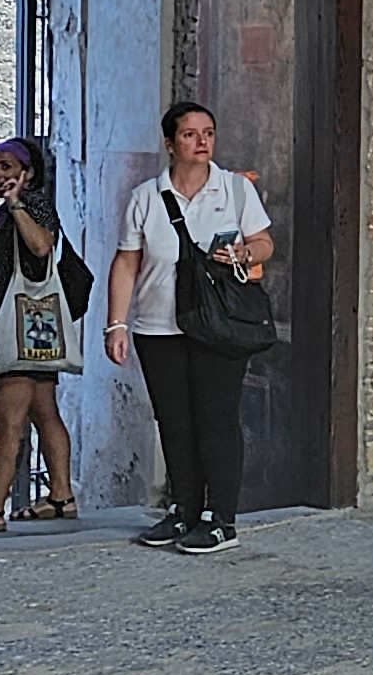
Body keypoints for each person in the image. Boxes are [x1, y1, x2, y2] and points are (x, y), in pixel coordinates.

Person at [105, 101, 272, 555]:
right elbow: (126, 262)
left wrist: (245, 254)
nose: (202, 142)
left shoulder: (235, 190)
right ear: (169, 143)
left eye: (208, 133)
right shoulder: (146, 197)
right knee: (174, 421)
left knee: (217, 419)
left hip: (218, 326)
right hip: (158, 326)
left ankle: (221, 519)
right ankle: (184, 509)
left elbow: (263, 242)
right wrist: (116, 324)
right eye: (190, 134)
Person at [0, 135, 86, 531]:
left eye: (7, 167)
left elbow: (41, 246)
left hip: (21, 327)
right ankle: (62, 495)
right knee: (44, 411)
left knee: (9, 420)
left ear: (28, 174)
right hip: (34, 328)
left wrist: (16, 203)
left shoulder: (33, 205)